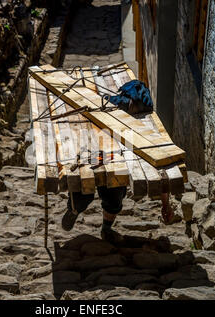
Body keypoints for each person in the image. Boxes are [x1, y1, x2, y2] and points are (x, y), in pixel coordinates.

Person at [61, 80, 175, 243]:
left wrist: (166, 203)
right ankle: (74, 209)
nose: (135, 111)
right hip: (96, 149)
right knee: (84, 186)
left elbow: (158, 161)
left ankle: (106, 229)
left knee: (114, 195)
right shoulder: (107, 105)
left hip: (119, 156)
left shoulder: (144, 125)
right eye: (134, 107)